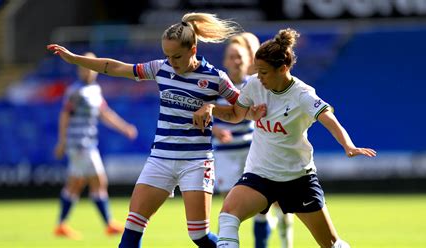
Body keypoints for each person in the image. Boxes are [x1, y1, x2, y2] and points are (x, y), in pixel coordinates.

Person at [47, 12, 242, 248]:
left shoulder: (216, 79)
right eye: (167, 55)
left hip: (196, 162)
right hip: (160, 159)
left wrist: (211, 108)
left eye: (177, 56)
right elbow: (116, 68)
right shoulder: (160, 69)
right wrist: (76, 59)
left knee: (198, 235)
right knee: (132, 228)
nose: (172, 62)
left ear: (193, 49)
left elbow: (241, 111)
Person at [193, 28, 377, 248]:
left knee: (331, 244)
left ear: (283, 68)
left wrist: (348, 145)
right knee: (228, 216)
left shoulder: (303, 94)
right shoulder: (253, 84)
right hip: (260, 174)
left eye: (264, 72)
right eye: (257, 71)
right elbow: (235, 115)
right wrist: (211, 108)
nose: (258, 78)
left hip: (296, 178)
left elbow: (329, 119)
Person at [213, 33, 293, 248]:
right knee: (230, 209)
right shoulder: (216, 86)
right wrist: (215, 130)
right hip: (225, 154)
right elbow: (203, 116)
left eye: (239, 57)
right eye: (231, 57)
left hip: (253, 153)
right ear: (225, 60)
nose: (235, 61)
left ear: (248, 60)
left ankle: (280, 239)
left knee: (263, 207)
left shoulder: (257, 84)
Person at [53, 52, 138, 239]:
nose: (89, 72)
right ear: (79, 69)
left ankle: (61, 224)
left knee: (76, 184)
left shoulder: (95, 90)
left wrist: (124, 127)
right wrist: (62, 141)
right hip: (79, 143)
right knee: (99, 181)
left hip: (88, 142)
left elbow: (104, 113)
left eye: (92, 68)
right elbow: (64, 115)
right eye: (85, 67)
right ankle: (108, 223)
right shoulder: (75, 91)